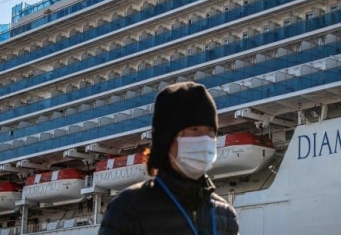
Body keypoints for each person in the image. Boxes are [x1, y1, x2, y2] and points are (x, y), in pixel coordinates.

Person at [98, 81, 239, 235]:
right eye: (194, 129)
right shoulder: (128, 209)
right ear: (167, 139)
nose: (205, 139)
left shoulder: (224, 213)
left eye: (211, 131)